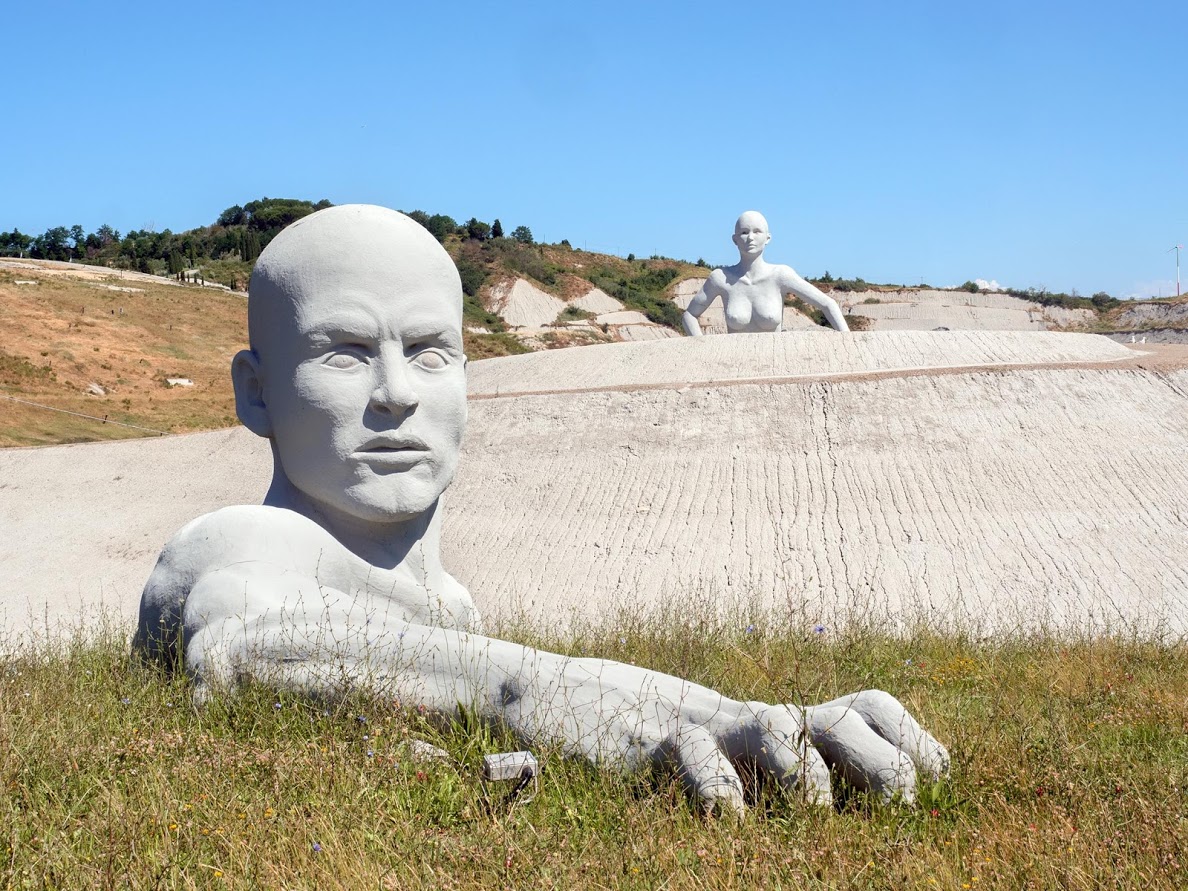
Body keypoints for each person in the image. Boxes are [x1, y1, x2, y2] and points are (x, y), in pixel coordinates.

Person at [134, 205, 945, 812]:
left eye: (428, 352)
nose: (396, 394)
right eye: (343, 353)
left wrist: (767, 718)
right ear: (256, 391)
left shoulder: (451, 608)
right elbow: (247, 641)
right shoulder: (234, 544)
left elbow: (443, 672)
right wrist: (702, 717)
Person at [682, 211, 849, 336]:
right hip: (734, 366)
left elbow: (828, 304)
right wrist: (701, 347)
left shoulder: (781, 275)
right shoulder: (720, 278)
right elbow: (689, 315)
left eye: (757, 231)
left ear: (768, 238)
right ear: (735, 239)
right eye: (744, 232)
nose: (750, 238)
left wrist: (848, 343)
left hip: (775, 364)